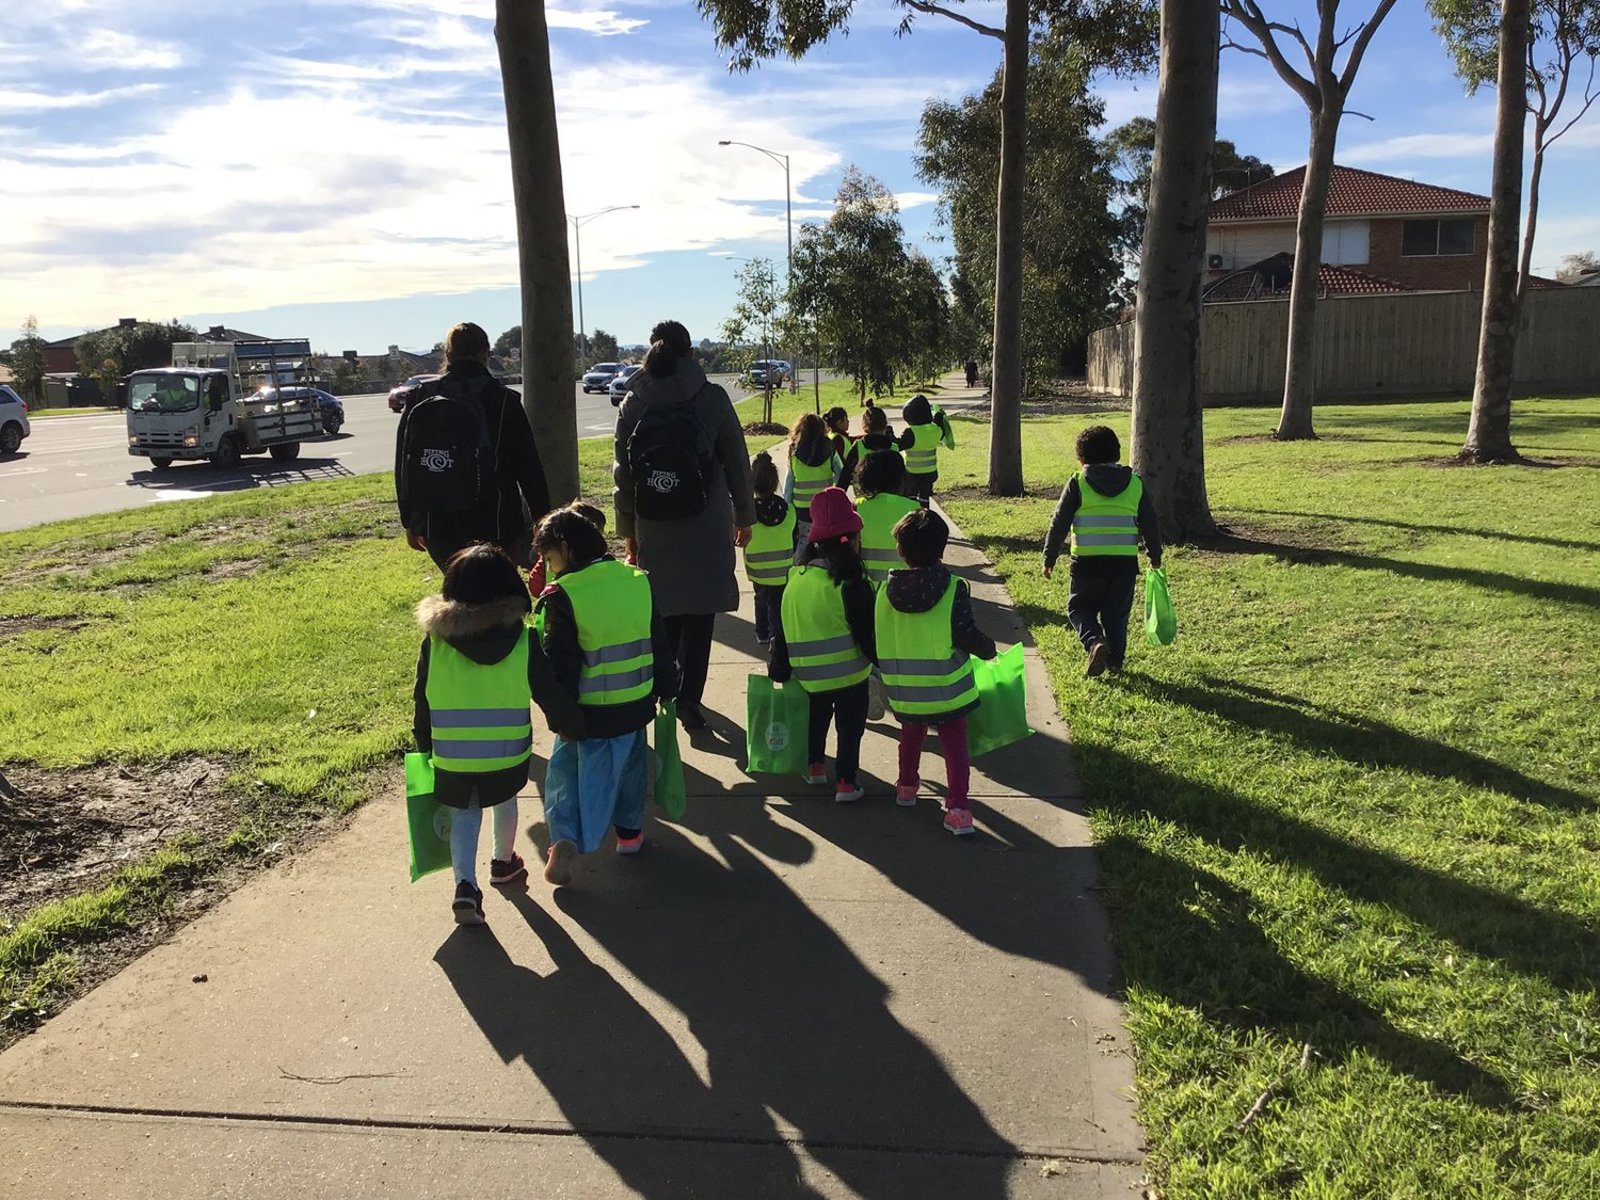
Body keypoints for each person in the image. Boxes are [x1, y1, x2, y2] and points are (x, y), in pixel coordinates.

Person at [413, 543, 585, 925]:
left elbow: (422, 695)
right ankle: (503, 863)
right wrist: (570, 724)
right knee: (505, 801)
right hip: (506, 752)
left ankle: (465, 886)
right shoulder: (522, 641)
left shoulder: (436, 643)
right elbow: (548, 692)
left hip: (452, 753)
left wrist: (423, 740)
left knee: (464, 813)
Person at [613, 320, 754, 732]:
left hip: (653, 524)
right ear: (690, 353)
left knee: (662, 613)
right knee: (700, 614)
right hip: (706, 522)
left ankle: (665, 691)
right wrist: (744, 516)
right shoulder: (711, 398)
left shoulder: (634, 402)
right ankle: (690, 697)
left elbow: (624, 476)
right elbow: (737, 463)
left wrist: (628, 532)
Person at [533, 506, 678, 885]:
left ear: (565, 548)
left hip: (586, 713)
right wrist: (666, 686)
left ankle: (564, 839)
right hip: (635, 704)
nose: (550, 567)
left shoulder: (564, 595)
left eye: (550, 557)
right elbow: (658, 640)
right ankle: (629, 836)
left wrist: (562, 719)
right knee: (631, 772)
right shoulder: (637, 579)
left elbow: (559, 665)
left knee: (566, 775)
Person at [876, 509, 997, 836]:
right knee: (955, 745)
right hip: (947, 690)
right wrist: (989, 649)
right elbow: (964, 633)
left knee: (910, 736)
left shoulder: (883, 593)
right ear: (942, 548)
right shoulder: (954, 587)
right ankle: (957, 807)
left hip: (905, 692)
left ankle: (907, 786)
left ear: (900, 549)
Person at [396, 321, 551, 572]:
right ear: (485, 353)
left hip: (437, 519)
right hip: (495, 518)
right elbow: (528, 466)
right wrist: (541, 517)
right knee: (495, 596)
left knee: (457, 591)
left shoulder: (420, 397)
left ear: (448, 355)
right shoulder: (503, 400)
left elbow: (405, 464)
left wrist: (411, 520)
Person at [770, 488, 876, 802]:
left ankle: (814, 766)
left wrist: (780, 666)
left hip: (809, 677)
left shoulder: (796, 577)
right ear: (854, 538)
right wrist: (884, 666)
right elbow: (866, 633)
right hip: (850, 676)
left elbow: (783, 628)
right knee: (849, 729)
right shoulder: (853, 584)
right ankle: (845, 781)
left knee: (815, 721)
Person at [1041, 424, 1162, 678]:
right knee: (1116, 616)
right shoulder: (1135, 484)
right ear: (1117, 454)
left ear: (1081, 458)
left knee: (1079, 609)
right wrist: (1154, 555)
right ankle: (1115, 662)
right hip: (1124, 566)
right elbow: (1150, 523)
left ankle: (1095, 641)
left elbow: (1059, 522)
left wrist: (1049, 557)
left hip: (1087, 564)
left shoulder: (1078, 483)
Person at [744, 451, 797, 646]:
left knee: (760, 598)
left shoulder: (747, 512)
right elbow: (795, 536)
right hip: (782, 568)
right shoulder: (789, 510)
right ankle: (778, 635)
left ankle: (762, 632)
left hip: (757, 568)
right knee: (777, 602)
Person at [855, 450, 920, 588]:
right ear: (902, 478)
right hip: (903, 586)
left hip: (865, 587)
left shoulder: (856, 508)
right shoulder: (914, 509)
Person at [783, 412, 841, 551]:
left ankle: (802, 566)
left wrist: (788, 506)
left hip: (801, 507)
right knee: (826, 539)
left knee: (804, 539)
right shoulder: (829, 448)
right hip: (824, 505)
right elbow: (840, 472)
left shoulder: (794, 451)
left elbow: (789, 484)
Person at [898, 394, 955, 506]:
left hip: (912, 473)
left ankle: (912, 514)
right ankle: (925, 513)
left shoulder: (911, 433)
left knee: (911, 498)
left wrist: (889, 434)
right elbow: (940, 427)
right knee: (924, 497)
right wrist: (938, 416)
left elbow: (899, 445)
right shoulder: (935, 430)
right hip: (930, 473)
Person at [837, 402, 899, 491]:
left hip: (863, 500)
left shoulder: (859, 447)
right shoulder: (894, 448)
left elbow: (845, 476)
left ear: (864, 425)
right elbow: (900, 479)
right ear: (885, 424)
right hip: (891, 500)